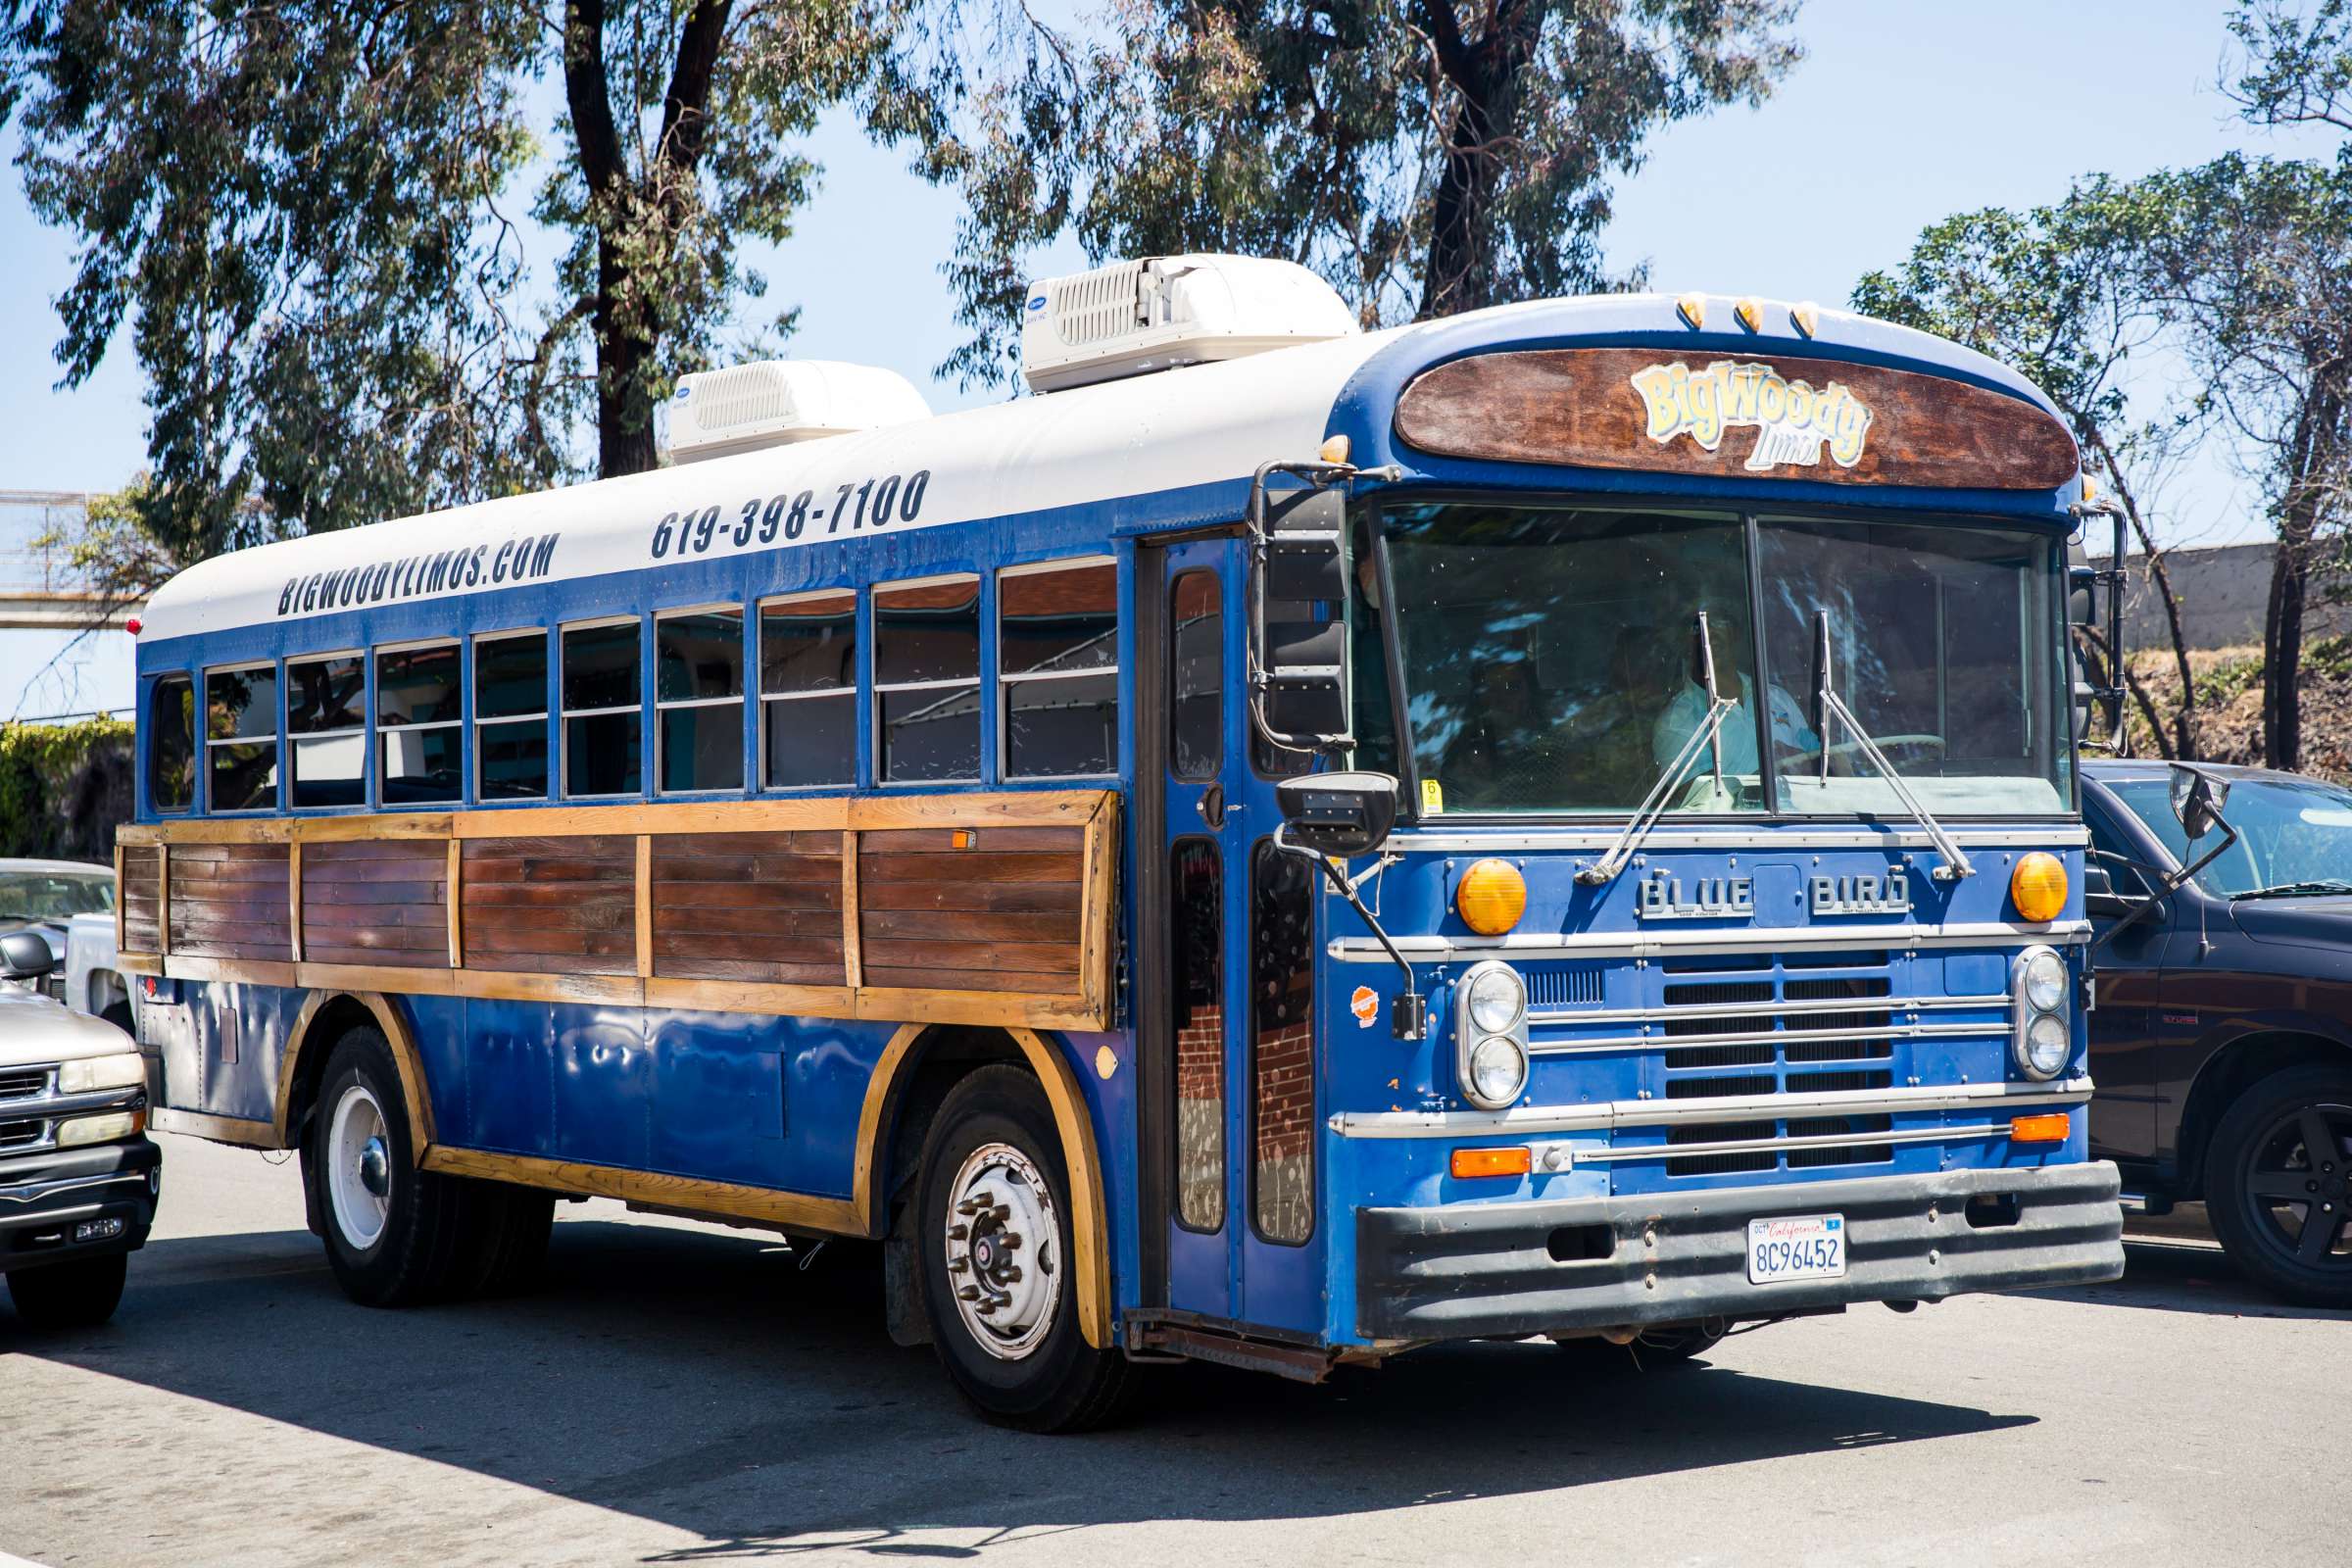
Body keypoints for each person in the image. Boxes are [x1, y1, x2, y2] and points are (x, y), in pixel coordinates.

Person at [1649, 605, 1817, 774]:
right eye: (1696, 626)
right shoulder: (1676, 722)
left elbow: (1820, 760)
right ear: (1682, 643)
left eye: (1718, 621)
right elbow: (1698, 797)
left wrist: (1802, 761)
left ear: (1734, 632)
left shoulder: (1776, 697)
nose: (1709, 632)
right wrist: (1772, 774)